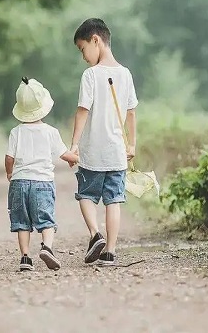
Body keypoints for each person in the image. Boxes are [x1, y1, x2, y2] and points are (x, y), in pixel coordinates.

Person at [69, 18, 138, 266]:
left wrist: (74, 145)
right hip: (117, 153)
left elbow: (82, 111)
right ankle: (110, 251)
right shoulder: (126, 74)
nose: (83, 56)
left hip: (93, 152)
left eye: (82, 49)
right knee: (114, 201)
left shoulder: (91, 75)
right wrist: (132, 145)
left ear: (95, 40)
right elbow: (131, 112)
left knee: (86, 195)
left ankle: (95, 234)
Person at [5, 77, 78, 271]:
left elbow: (9, 158)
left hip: (19, 183)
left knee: (21, 222)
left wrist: (10, 173)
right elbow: (64, 154)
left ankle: (25, 258)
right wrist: (75, 158)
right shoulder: (51, 132)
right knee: (46, 220)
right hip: (42, 184)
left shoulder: (16, 132)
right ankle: (47, 247)